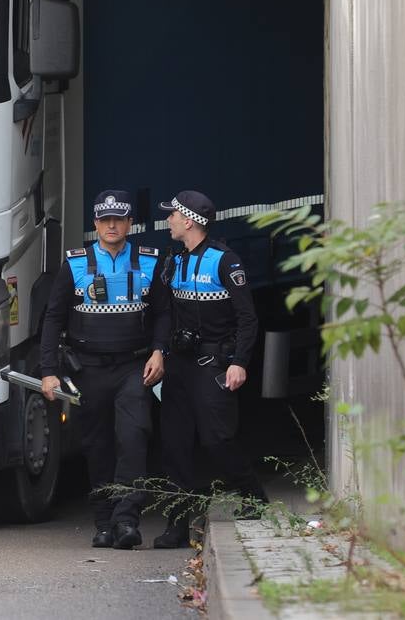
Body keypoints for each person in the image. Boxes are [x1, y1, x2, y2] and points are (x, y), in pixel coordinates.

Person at [39, 190, 169, 550]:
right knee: (97, 446)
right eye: (104, 219)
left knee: (133, 437)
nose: (112, 225)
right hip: (89, 370)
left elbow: (163, 313)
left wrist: (159, 352)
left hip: (133, 366)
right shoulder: (75, 264)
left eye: (119, 219)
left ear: (129, 223)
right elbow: (53, 318)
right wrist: (48, 370)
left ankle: (127, 520)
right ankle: (103, 522)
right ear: (95, 223)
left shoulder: (149, 260)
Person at [153, 190, 269, 549]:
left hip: (213, 362)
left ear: (188, 220)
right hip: (179, 363)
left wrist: (239, 363)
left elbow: (248, 318)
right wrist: (159, 351)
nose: (168, 220)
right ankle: (177, 524)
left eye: (172, 215)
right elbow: (165, 312)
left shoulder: (224, 261)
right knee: (174, 444)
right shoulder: (174, 259)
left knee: (216, 439)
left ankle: (253, 496)